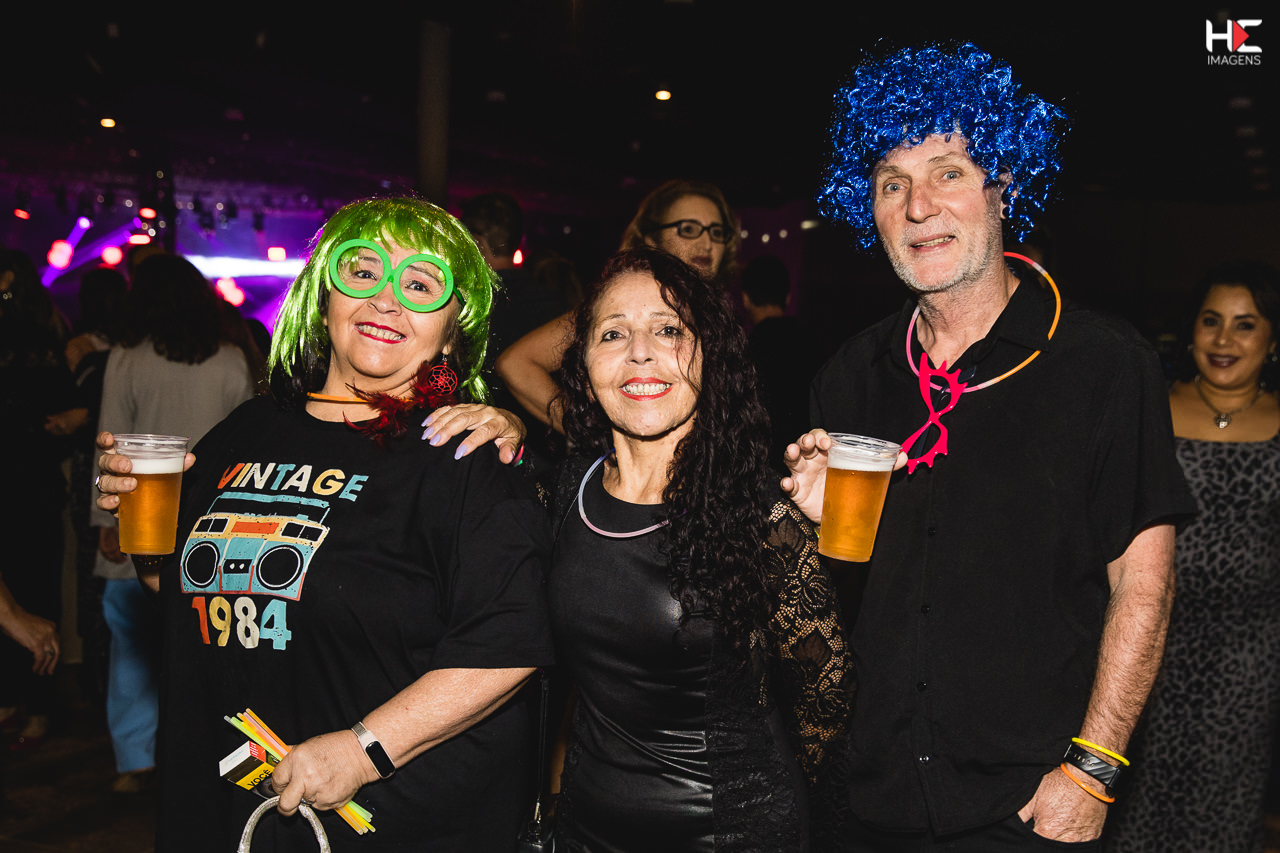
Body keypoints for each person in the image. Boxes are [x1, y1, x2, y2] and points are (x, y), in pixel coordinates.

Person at [783, 43, 1195, 850]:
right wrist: (811, 527)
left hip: (1031, 803)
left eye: (949, 172)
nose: (918, 206)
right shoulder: (850, 375)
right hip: (869, 801)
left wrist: (1094, 770)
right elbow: (834, 608)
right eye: (891, 183)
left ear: (1004, 183)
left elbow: (1144, 585)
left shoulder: (1104, 365)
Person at [94, 197, 554, 852]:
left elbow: (511, 644)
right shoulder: (244, 431)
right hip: (227, 809)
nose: (385, 299)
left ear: (452, 331)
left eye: (420, 285)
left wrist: (361, 751)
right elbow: (182, 592)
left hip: (390, 822)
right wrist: (143, 536)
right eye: (362, 272)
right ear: (325, 296)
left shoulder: (464, 457)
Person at [549, 248, 851, 850]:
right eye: (613, 333)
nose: (640, 352)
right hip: (585, 827)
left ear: (711, 355)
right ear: (583, 364)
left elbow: (826, 704)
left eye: (668, 330)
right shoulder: (563, 492)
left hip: (730, 830)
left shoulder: (761, 513)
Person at [1105, 261, 1280, 853]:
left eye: (1245, 324)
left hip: (1251, 653)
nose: (1224, 339)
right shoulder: (1149, 410)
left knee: (1226, 799)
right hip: (1148, 640)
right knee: (1135, 795)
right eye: (1211, 321)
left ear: (1272, 340)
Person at [90, 254, 256, 793]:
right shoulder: (231, 359)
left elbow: (110, 440)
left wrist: (102, 518)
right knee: (207, 645)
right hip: (215, 528)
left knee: (130, 644)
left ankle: (134, 760)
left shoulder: (126, 357)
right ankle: (208, 758)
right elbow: (248, 445)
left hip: (140, 520)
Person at [495, 179, 739, 434]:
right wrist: (591, 433)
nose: (706, 243)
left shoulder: (723, 319)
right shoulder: (619, 311)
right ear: (651, 238)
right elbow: (516, 363)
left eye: (717, 232)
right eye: (688, 229)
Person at [0, 248, 75, 752]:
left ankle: (37, 705)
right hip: (26, 477)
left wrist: (71, 419)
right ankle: (21, 703)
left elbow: (76, 403)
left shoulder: (46, 329)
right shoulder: (46, 327)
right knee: (24, 591)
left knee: (33, 591)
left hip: (30, 480)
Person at [741, 255, 826, 470]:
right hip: (805, 464)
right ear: (788, 298)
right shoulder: (815, 345)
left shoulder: (743, 350)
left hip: (758, 467)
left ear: (745, 299)